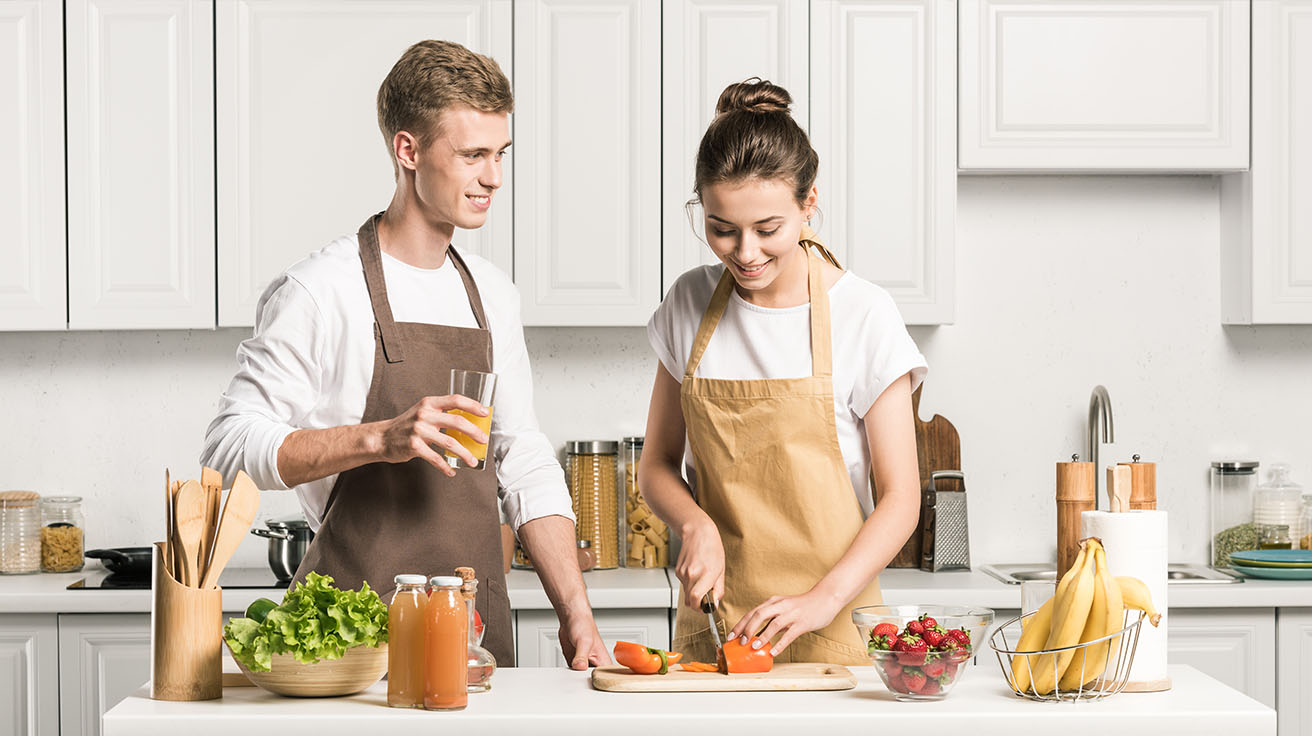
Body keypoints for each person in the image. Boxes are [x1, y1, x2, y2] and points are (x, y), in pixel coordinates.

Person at [200, 40, 609, 670]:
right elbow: (226, 453)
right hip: (349, 647)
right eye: (473, 155)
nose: (494, 177)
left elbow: (522, 460)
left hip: (472, 641)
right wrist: (379, 440)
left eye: (500, 155)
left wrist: (577, 618)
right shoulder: (319, 290)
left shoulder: (493, 295)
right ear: (408, 151)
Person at [640, 79, 928, 665]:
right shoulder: (688, 304)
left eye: (767, 229)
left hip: (834, 622)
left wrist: (821, 600)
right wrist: (694, 524)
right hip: (716, 625)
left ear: (808, 203)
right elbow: (656, 466)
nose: (745, 253)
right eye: (722, 228)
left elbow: (902, 498)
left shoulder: (863, 313)